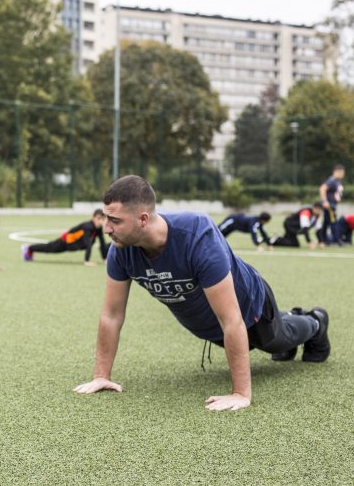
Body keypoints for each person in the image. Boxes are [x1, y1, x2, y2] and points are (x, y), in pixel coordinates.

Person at [73, 175, 330, 412]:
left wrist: (240, 393)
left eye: (115, 220)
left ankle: (316, 321)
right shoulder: (121, 251)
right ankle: (290, 324)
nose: (106, 228)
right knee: (268, 343)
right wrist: (101, 376)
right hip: (212, 327)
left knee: (277, 340)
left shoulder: (197, 236)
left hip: (251, 309)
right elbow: (111, 315)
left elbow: (232, 319)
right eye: (106, 218)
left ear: (142, 219)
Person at [22, 209, 108, 266]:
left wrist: (105, 259)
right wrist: (87, 261)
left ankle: (30, 248)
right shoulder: (87, 227)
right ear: (93, 218)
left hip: (73, 244)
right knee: (48, 248)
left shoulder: (98, 229)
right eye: (98, 218)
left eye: (102, 219)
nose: (100, 221)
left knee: (93, 241)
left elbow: (102, 242)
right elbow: (88, 244)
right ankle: (29, 248)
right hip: (65, 241)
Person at [317, 164, 345, 245]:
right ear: (336, 172)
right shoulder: (331, 180)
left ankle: (323, 239)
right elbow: (322, 188)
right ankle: (336, 240)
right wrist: (325, 201)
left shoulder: (337, 181)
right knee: (333, 222)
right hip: (330, 206)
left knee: (326, 222)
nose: (343, 174)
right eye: (341, 172)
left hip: (332, 205)